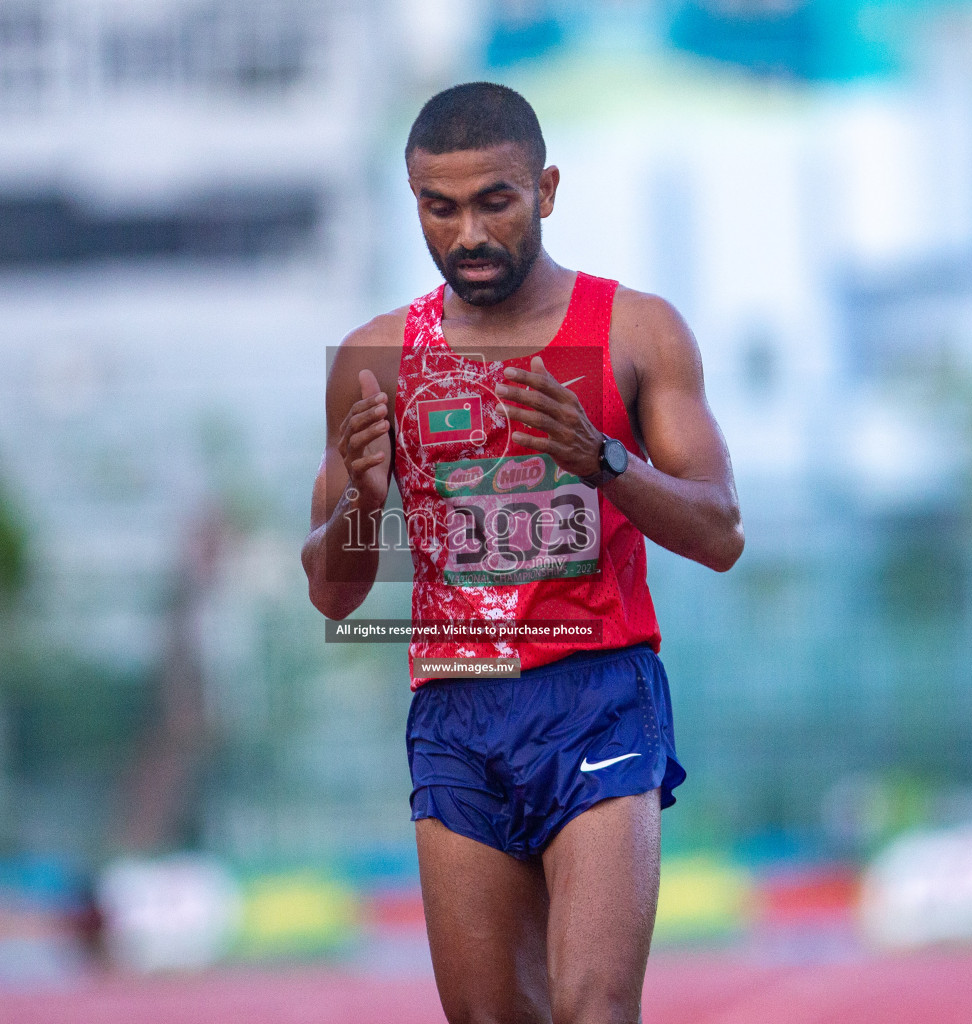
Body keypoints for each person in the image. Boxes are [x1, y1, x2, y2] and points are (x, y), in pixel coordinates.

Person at [301, 82, 743, 1024]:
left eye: (494, 201)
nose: (468, 234)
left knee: (592, 1008)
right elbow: (333, 596)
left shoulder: (636, 331)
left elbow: (721, 533)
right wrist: (364, 508)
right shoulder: (375, 359)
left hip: (596, 694)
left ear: (544, 189)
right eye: (440, 207)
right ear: (413, 203)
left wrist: (604, 460)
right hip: (455, 707)